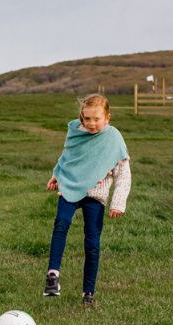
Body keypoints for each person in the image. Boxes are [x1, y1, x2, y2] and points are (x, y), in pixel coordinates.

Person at [43, 94, 132, 306]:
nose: (91, 124)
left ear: (108, 117)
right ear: (81, 117)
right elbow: (68, 157)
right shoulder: (75, 131)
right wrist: (57, 175)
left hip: (96, 196)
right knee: (61, 224)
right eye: (87, 118)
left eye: (96, 119)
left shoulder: (114, 139)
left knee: (92, 242)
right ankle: (53, 275)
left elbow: (123, 173)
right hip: (71, 188)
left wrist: (118, 203)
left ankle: (88, 293)